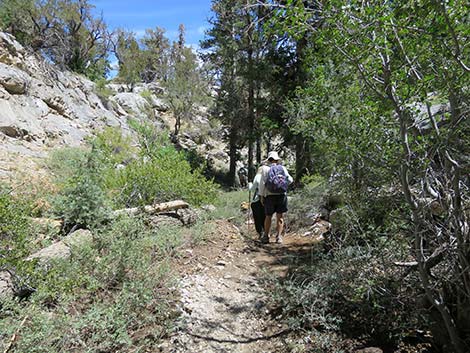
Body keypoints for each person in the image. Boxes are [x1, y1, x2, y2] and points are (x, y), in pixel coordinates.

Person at [258, 151, 293, 244]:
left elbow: (262, 184)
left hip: (269, 196)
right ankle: (279, 237)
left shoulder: (265, 169)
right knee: (280, 217)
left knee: (268, 216)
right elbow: (290, 180)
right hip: (281, 195)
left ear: (268, 160)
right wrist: (282, 186)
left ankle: (266, 236)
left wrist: (261, 196)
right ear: (277, 160)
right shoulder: (283, 168)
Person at [248, 167, 266, 242]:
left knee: (257, 217)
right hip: (267, 199)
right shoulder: (268, 175)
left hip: (257, 200)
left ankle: (260, 233)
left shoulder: (258, 176)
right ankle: (266, 233)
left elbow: (252, 189)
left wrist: (249, 184)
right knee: (265, 217)